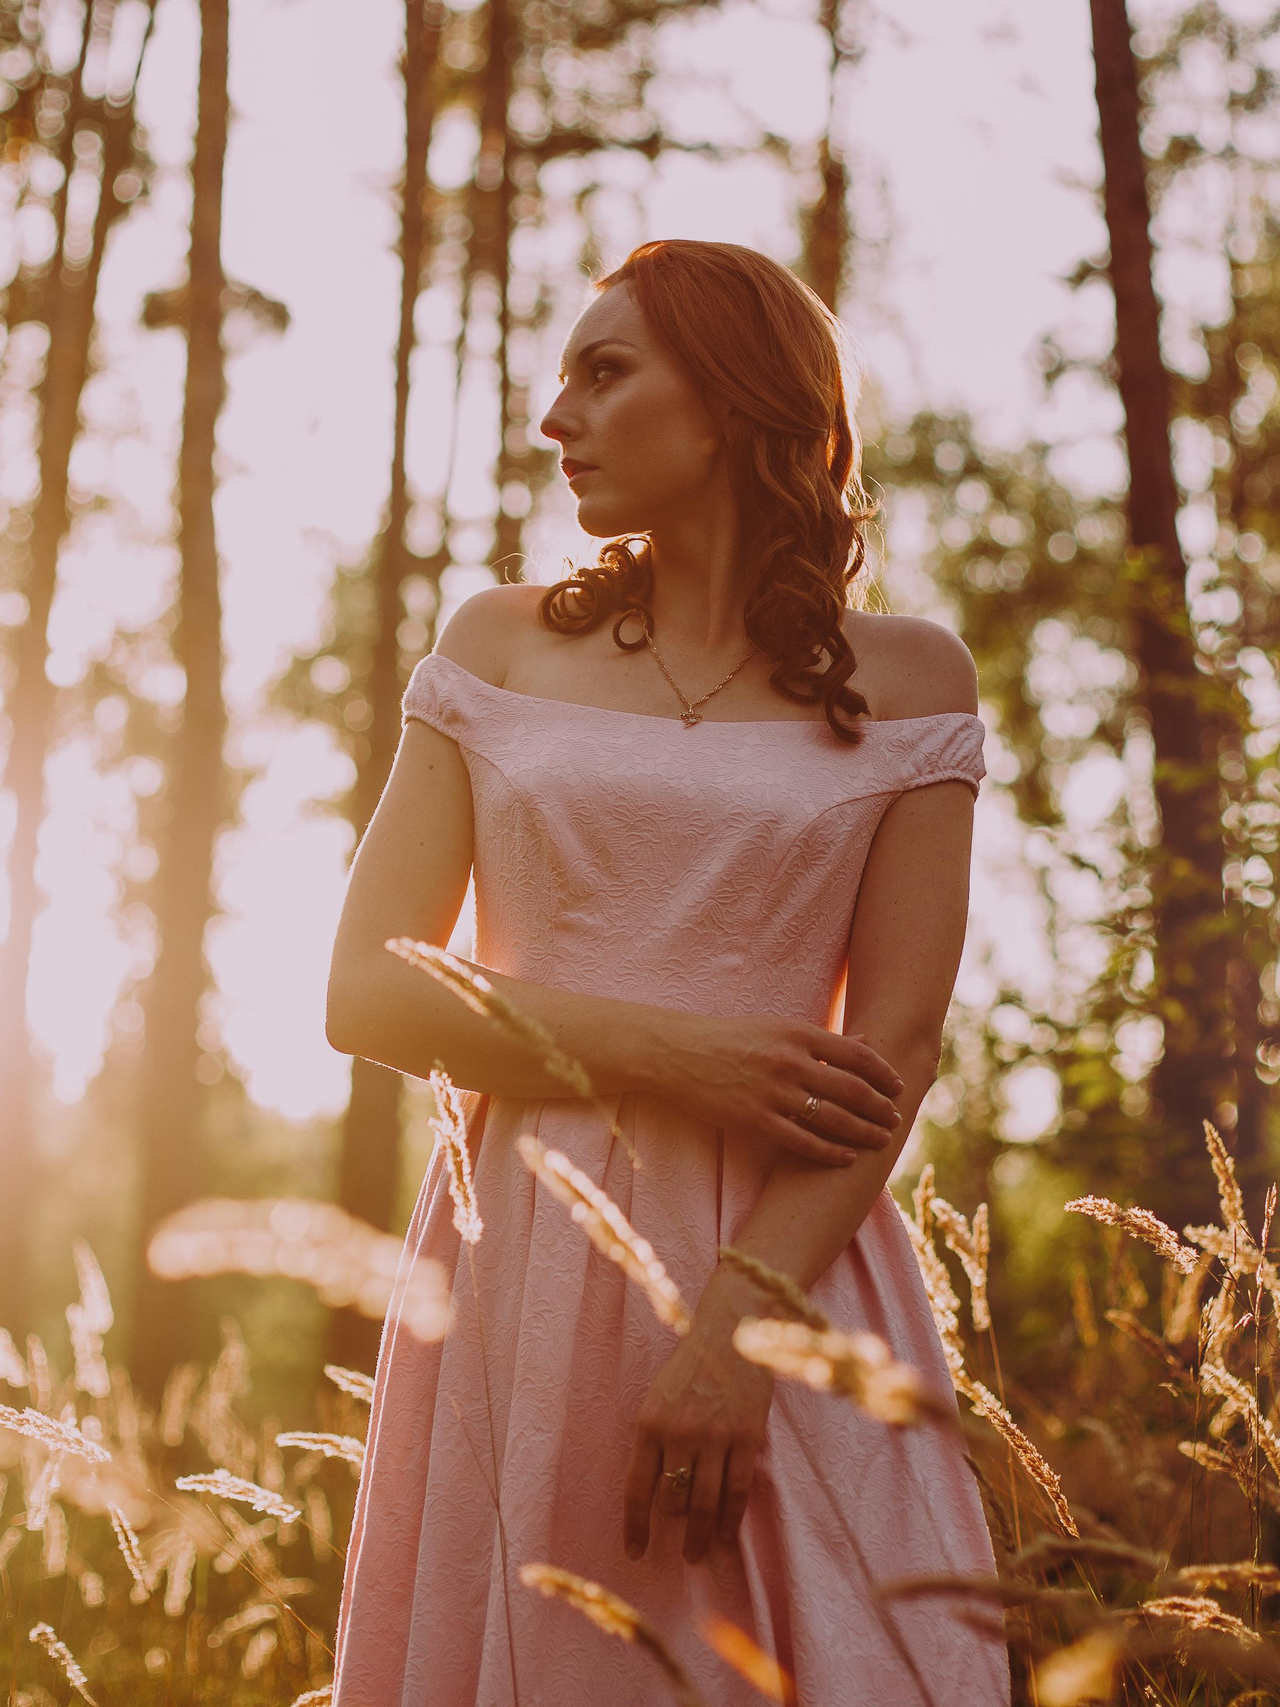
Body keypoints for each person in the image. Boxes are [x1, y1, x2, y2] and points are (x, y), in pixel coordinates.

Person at [323, 238, 1007, 1706]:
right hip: (528, 1264)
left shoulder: (911, 682)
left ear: (735, 397)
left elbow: (897, 1042)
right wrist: (677, 1052)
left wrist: (740, 1334)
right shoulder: (497, 648)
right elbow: (370, 991)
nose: (555, 418)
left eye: (605, 371)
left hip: (793, 1260)